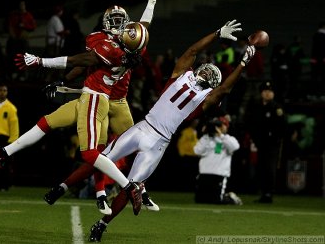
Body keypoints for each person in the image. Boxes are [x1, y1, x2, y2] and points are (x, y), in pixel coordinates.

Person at [0, 0, 158, 216]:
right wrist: (151, 2)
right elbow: (142, 27)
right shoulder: (136, 46)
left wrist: (40, 62)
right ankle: (4, 154)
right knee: (50, 123)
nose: (117, 26)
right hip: (98, 96)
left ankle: (133, 188)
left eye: (119, 22)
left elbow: (76, 61)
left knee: (101, 151)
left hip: (102, 99)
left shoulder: (107, 46)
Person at [88, 20, 256, 242]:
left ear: (212, 84)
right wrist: (217, 34)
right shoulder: (182, 75)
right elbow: (194, 51)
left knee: (128, 188)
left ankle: (102, 224)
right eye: (206, 68)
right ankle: (100, 193)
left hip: (158, 141)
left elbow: (225, 88)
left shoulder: (204, 99)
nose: (206, 72)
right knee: (101, 159)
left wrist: (242, 63)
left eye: (210, 74)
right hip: (145, 126)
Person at [245, 80, 286, 203]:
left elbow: (282, 127)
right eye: (265, 91)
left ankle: (269, 193)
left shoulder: (277, 108)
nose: (268, 93)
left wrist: (275, 138)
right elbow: (251, 123)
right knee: (261, 167)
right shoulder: (256, 106)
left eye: (270, 91)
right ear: (261, 93)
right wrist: (254, 138)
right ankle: (263, 193)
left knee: (270, 167)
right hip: (259, 143)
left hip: (272, 144)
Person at [194, 116, 242, 205]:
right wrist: (206, 134)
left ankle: (231, 198)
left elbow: (235, 147)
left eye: (221, 125)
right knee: (200, 200)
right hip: (204, 173)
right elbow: (197, 151)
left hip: (219, 174)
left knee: (217, 201)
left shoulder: (228, 138)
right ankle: (227, 196)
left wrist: (221, 136)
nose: (218, 127)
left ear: (226, 127)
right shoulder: (206, 138)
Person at [6, 0, 37, 80]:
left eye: (23, 5)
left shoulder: (28, 15)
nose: (21, 6)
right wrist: (12, 34)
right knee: (13, 56)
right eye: (20, 5)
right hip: (14, 40)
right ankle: (14, 72)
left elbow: (33, 27)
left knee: (23, 57)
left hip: (23, 39)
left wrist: (24, 25)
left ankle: (22, 74)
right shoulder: (14, 15)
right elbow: (10, 25)